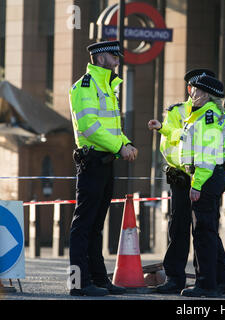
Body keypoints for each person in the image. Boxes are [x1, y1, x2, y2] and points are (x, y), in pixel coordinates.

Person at [68, 40, 138, 296]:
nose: (118, 59)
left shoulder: (107, 86)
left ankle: (98, 280)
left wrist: (125, 142)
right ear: (99, 58)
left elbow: (112, 128)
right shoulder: (86, 85)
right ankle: (79, 284)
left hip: (106, 162)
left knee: (96, 225)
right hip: (93, 161)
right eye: (113, 55)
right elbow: (89, 126)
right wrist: (121, 148)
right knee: (83, 225)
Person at [147, 68, 216, 294]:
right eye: (198, 89)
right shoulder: (177, 111)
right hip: (181, 176)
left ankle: (211, 280)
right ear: (190, 89)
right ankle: (174, 279)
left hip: (203, 174)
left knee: (204, 229)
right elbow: (172, 141)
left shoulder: (212, 112)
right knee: (178, 228)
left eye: (207, 89)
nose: (201, 93)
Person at [178, 74, 225, 297]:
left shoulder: (207, 117)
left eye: (196, 90)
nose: (191, 93)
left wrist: (197, 184)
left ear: (206, 94)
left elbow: (206, 155)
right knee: (209, 230)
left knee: (203, 233)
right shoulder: (209, 115)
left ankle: (206, 284)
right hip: (213, 175)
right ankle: (224, 280)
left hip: (207, 177)